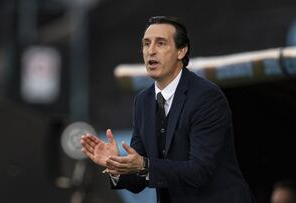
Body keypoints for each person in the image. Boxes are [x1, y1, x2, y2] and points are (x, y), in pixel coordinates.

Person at [81, 16, 255, 203]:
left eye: (160, 43)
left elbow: (200, 171)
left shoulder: (206, 97)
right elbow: (139, 180)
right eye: (146, 44)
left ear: (181, 51)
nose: (151, 51)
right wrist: (116, 165)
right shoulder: (142, 101)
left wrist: (145, 165)